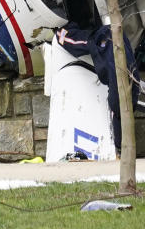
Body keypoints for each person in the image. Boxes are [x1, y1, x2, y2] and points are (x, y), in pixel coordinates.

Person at [54, 22, 139, 155]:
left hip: (119, 83)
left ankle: (120, 150)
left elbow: (73, 41)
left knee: (118, 108)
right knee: (120, 108)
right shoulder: (111, 37)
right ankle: (121, 150)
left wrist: (60, 34)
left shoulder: (102, 38)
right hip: (125, 82)